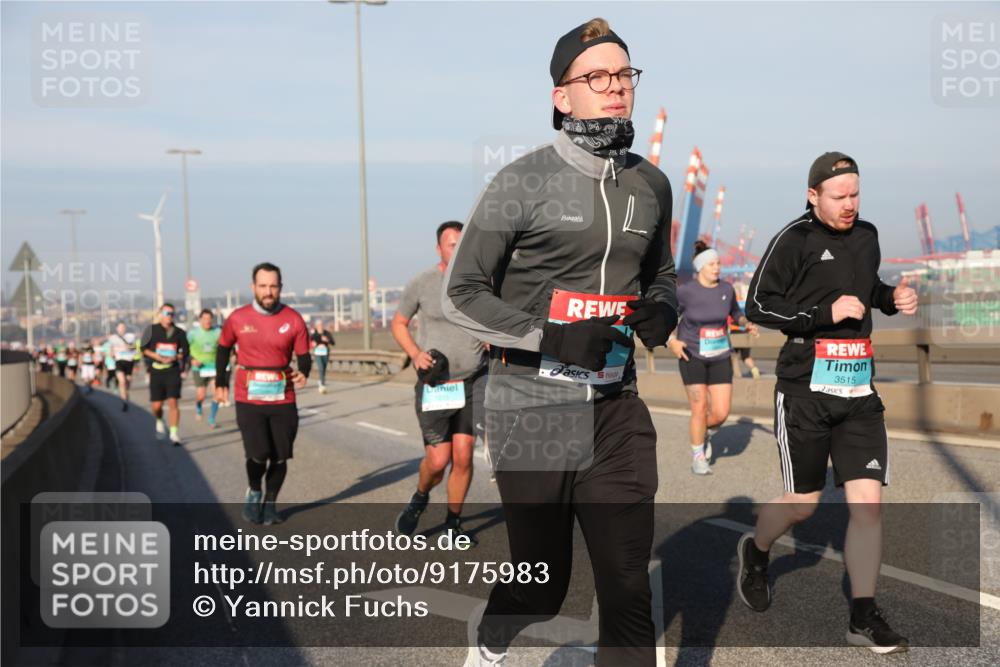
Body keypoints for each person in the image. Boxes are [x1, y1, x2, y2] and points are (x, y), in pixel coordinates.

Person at [444, 18, 677, 666]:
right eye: (596, 76)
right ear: (561, 96)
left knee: (628, 590)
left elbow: (662, 273)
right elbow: (460, 292)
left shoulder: (651, 185)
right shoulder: (522, 181)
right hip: (531, 408)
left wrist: (663, 306)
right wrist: (546, 337)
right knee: (543, 584)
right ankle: (490, 640)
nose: (615, 88)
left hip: (615, 409)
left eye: (624, 75)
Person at [737, 152, 918, 654]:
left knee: (868, 507)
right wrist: (822, 312)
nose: (849, 205)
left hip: (858, 390)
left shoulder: (868, 236)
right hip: (804, 390)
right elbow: (757, 304)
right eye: (839, 197)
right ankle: (756, 551)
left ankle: (862, 617)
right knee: (803, 504)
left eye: (855, 194)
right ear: (813, 195)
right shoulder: (793, 241)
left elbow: (865, 290)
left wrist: (890, 298)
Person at [392, 221, 487, 545]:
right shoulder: (422, 282)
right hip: (437, 385)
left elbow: (493, 319)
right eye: (451, 244)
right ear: (439, 249)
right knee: (438, 460)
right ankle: (420, 496)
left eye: (462, 243)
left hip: (473, 381)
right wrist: (415, 353)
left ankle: (452, 524)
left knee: (463, 455)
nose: (457, 249)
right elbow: (399, 323)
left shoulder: (481, 282)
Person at [215, 262, 311, 526]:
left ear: (280, 287)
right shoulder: (238, 318)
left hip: (283, 396)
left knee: (280, 456)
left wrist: (304, 371)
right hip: (249, 396)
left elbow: (304, 355)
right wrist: (220, 381)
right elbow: (223, 348)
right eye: (263, 286)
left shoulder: (293, 319)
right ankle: (254, 490)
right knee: (258, 454)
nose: (268, 292)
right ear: (253, 287)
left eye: (273, 286)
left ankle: (270, 504)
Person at [668, 240, 758, 475]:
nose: (717, 268)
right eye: (712, 264)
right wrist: (672, 341)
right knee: (699, 408)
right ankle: (698, 456)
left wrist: (745, 323)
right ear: (700, 267)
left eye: (718, 263)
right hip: (691, 355)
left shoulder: (726, 289)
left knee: (720, 412)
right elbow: (668, 319)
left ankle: (701, 432)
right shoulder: (685, 292)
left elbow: (735, 312)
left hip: (720, 355)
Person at [141, 304, 190, 444]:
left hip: (172, 370)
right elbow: (143, 348)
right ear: (160, 314)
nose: (169, 316)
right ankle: (159, 419)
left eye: (171, 313)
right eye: (166, 313)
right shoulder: (151, 330)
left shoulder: (180, 332)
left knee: (173, 401)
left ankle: (174, 433)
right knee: (157, 405)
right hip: (156, 371)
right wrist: (156, 356)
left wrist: (175, 357)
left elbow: (185, 351)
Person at [188, 308, 222, 428]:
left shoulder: (218, 332)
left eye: (209, 319)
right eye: (204, 319)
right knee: (201, 395)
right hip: (199, 367)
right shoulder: (193, 334)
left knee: (217, 394)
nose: (207, 321)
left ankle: (212, 418)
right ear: (200, 320)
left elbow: (224, 346)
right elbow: (185, 349)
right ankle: (198, 407)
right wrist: (192, 360)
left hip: (213, 366)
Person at [310, 319, 335, 394]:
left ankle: (321, 380)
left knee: (324, 368)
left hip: (325, 353)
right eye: (319, 325)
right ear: (316, 326)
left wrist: (327, 340)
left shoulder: (327, 333)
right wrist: (313, 344)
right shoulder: (314, 335)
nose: (320, 327)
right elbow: (309, 342)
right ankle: (322, 385)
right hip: (318, 353)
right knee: (320, 368)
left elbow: (333, 342)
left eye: (321, 325)